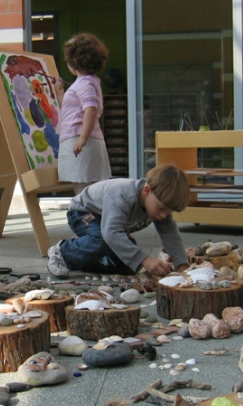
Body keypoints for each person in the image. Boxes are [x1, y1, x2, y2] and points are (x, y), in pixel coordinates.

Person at [47, 164, 191, 279]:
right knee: (103, 240)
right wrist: (146, 259)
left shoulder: (158, 204)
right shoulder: (123, 195)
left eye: (169, 212)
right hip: (84, 212)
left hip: (108, 223)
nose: (164, 215)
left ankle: (81, 255)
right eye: (162, 208)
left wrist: (183, 269)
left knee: (129, 266)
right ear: (147, 191)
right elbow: (111, 233)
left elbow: (171, 236)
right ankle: (62, 252)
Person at [52, 33, 111, 195]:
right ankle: (87, 219)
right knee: (85, 190)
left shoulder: (84, 83)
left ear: (74, 62)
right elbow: (72, 110)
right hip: (82, 140)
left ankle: (86, 220)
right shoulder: (86, 82)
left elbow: (90, 109)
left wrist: (83, 138)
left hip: (81, 141)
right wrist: (59, 92)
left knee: (83, 190)